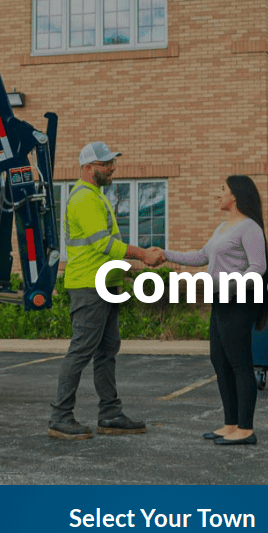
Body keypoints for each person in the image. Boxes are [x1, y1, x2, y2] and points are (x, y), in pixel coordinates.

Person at [48, 141, 164, 440]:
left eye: (112, 162)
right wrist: (142, 255)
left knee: (106, 351)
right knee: (81, 351)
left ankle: (110, 415)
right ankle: (60, 417)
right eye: (105, 164)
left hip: (105, 285)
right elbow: (105, 245)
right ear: (88, 168)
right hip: (89, 286)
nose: (112, 168)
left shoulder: (96, 196)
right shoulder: (84, 199)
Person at [161, 175, 268, 446]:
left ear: (235, 196)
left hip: (240, 301)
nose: (217, 194)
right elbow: (201, 256)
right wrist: (166, 254)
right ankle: (230, 424)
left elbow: (258, 267)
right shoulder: (223, 227)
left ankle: (246, 429)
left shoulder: (250, 228)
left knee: (239, 364)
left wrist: (222, 283)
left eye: (222, 189)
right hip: (220, 301)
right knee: (220, 362)